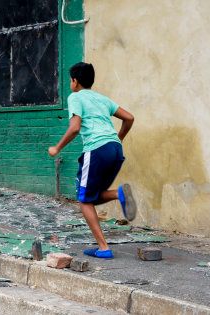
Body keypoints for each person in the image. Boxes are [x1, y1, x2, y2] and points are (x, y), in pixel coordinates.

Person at [48, 62, 136, 259]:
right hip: (115, 149)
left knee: (84, 200)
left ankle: (103, 248)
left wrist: (57, 147)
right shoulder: (102, 99)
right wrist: (117, 139)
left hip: (96, 149)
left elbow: (75, 128)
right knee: (93, 196)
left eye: (70, 80)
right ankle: (117, 193)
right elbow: (129, 118)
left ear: (75, 81)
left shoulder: (76, 97)